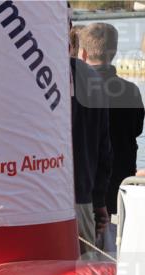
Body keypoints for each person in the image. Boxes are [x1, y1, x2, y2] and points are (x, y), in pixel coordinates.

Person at [78, 23, 145, 253]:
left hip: (87, 190)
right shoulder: (131, 91)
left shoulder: (77, 91)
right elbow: (137, 129)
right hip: (122, 187)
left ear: (83, 53)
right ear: (115, 52)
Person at [71, 55, 112, 257]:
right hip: (83, 196)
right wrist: (99, 201)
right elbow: (105, 149)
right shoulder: (93, 79)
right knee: (85, 273)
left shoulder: (31, 73)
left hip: (40, 199)